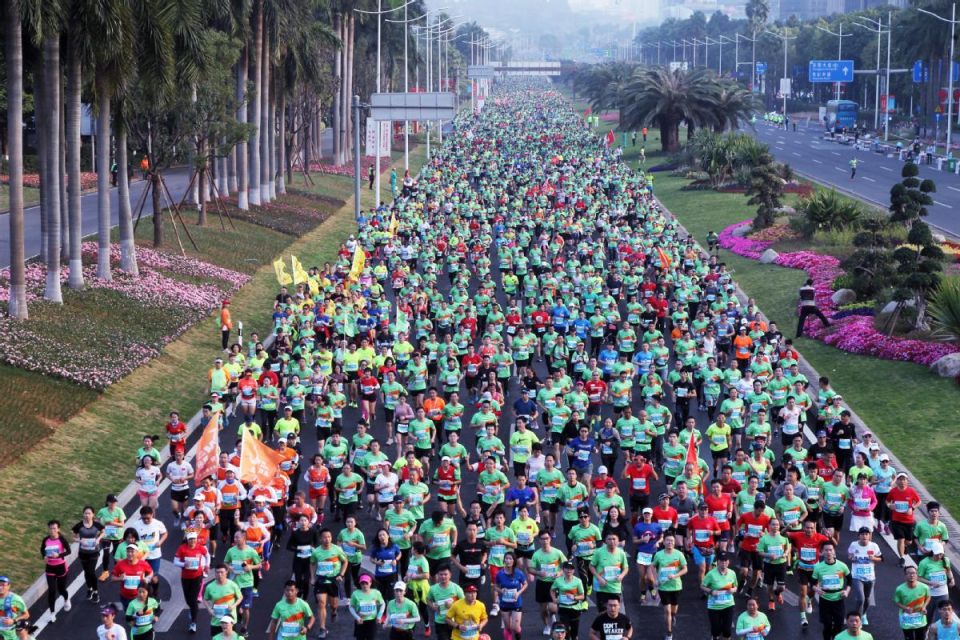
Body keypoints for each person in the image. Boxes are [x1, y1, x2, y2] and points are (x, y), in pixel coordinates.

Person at [811, 541, 850, 640]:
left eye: (830, 550)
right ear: (822, 552)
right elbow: (812, 583)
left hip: (838, 599)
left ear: (834, 552)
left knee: (839, 625)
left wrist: (847, 591)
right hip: (825, 600)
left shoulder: (842, 566)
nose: (828, 552)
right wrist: (817, 589)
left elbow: (850, 580)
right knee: (827, 625)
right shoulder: (818, 567)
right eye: (826, 550)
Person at [652, 534, 687, 640]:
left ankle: (673, 616)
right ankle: (669, 633)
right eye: (667, 540)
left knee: (673, 611)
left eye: (672, 541)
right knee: (667, 611)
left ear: (674, 542)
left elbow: (685, 569)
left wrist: (675, 575)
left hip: (676, 586)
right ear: (664, 542)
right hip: (663, 587)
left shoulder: (679, 554)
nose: (670, 542)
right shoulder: (658, 555)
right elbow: (653, 568)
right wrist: (655, 580)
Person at [701, 552, 737, 640]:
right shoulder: (711, 574)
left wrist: (733, 590)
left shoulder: (732, 573)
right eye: (721, 560)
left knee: (727, 631)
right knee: (715, 630)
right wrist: (711, 591)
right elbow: (702, 586)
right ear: (718, 562)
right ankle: (714, 636)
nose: (724, 562)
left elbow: (735, 586)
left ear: (728, 562)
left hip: (728, 605)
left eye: (726, 560)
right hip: (714, 606)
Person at [40, 520, 70, 622]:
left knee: (61, 589)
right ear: (48, 529)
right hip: (50, 567)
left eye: (54, 528)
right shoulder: (45, 540)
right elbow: (42, 550)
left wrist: (59, 555)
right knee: (52, 590)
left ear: (58, 529)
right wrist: (44, 556)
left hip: (61, 567)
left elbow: (69, 551)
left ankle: (66, 598)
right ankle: (52, 613)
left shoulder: (61, 539)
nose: (52, 530)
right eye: (50, 528)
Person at [203, 563, 243, 639]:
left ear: (226, 572)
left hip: (229, 621)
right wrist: (209, 609)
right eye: (217, 572)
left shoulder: (232, 585)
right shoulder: (210, 587)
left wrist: (234, 606)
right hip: (216, 621)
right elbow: (205, 599)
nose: (219, 574)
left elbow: (240, 597)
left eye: (222, 572)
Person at [894, 566, 931, 640]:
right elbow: (896, 601)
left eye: (914, 573)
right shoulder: (899, 589)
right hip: (906, 618)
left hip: (920, 619)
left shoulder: (924, 587)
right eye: (909, 573)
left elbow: (928, 596)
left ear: (916, 574)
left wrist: (924, 607)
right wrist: (905, 608)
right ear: (905, 575)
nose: (912, 575)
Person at [348, 574, 385, 640]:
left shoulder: (376, 593)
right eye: (362, 583)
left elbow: (383, 604)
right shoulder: (355, 594)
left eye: (366, 583)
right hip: (360, 620)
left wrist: (379, 616)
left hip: (372, 621)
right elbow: (351, 606)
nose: (364, 585)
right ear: (359, 584)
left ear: (370, 583)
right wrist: (357, 617)